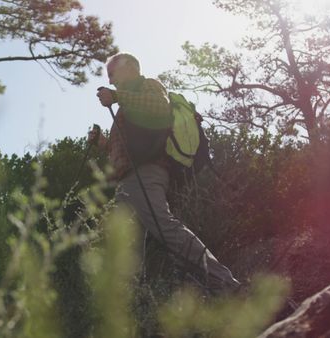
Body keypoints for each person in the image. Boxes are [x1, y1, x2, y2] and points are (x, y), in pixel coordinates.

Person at [89, 52, 240, 292]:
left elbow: (160, 108)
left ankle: (225, 283)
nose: (110, 81)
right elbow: (127, 148)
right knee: (127, 244)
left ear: (129, 68)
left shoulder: (148, 85)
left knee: (164, 229)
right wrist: (103, 143)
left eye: (112, 74)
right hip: (130, 181)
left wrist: (117, 97)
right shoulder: (127, 105)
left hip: (146, 175)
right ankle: (143, 303)